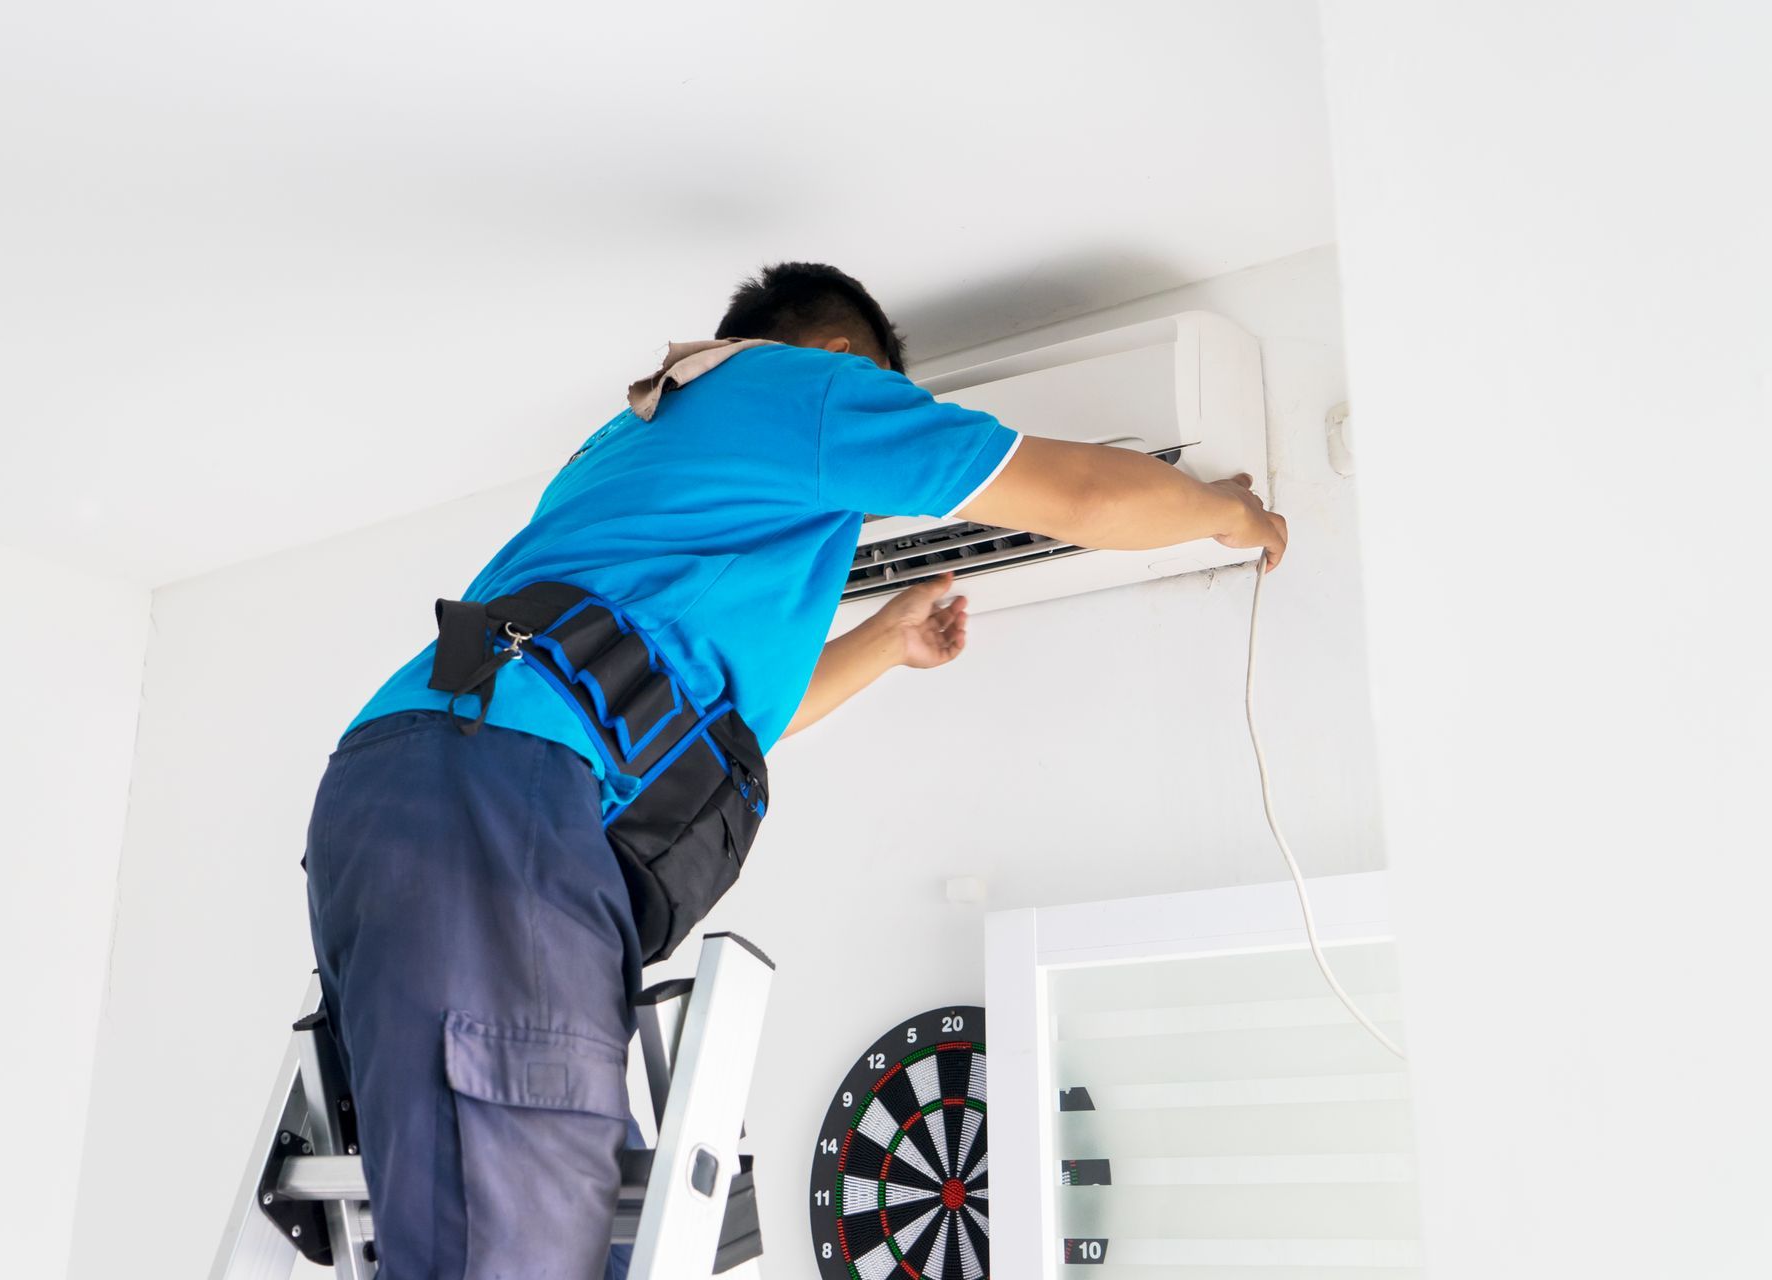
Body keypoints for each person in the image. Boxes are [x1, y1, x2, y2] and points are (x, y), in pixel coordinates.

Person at [301, 262, 1287, 1279]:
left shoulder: (631, 452)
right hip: (506, 794)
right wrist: (1229, 512)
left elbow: (709, 720)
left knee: (476, 1205)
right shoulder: (803, 388)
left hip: (409, 777)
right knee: (516, 1226)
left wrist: (883, 640)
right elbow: (1079, 490)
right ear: (843, 361)